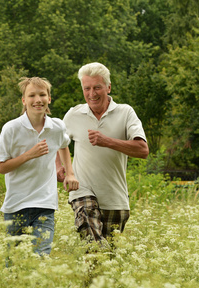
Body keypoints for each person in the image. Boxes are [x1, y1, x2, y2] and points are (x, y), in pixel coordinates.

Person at [58, 62, 149, 244]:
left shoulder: (125, 113)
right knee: (93, 246)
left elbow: (142, 150)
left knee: (106, 262)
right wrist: (60, 168)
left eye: (97, 87)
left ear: (108, 87)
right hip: (82, 191)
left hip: (115, 199)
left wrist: (106, 141)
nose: (92, 94)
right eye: (87, 88)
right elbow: (57, 143)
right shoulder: (73, 115)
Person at [0, 77, 79, 257]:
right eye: (32, 95)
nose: (37, 99)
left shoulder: (57, 126)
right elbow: (2, 167)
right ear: (24, 100)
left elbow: (63, 145)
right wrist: (29, 155)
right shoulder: (11, 129)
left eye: (42, 94)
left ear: (49, 98)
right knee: (15, 263)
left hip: (45, 204)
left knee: (41, 258)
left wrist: (70, 173)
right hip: (16, 205)